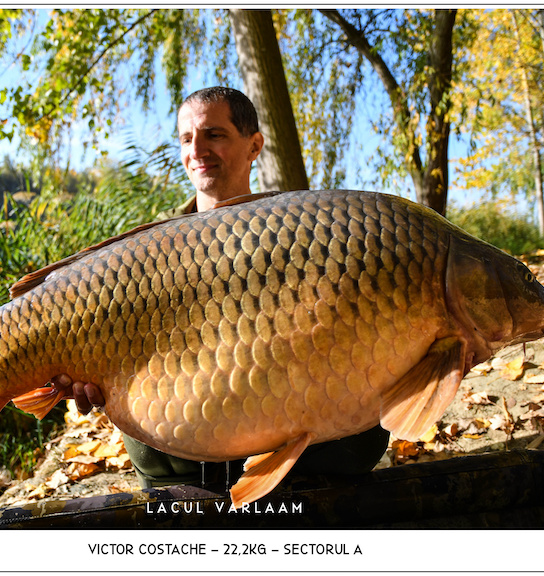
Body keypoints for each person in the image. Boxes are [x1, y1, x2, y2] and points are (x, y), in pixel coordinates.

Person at [53, 86, 390, 490]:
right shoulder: (142, 251)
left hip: (296, 443)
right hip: (177, 455)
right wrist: (77, 377)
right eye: (186, 138)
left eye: (214, 135)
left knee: (362, 430)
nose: (196, 150)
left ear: (254, 145)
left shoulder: (302, 231)